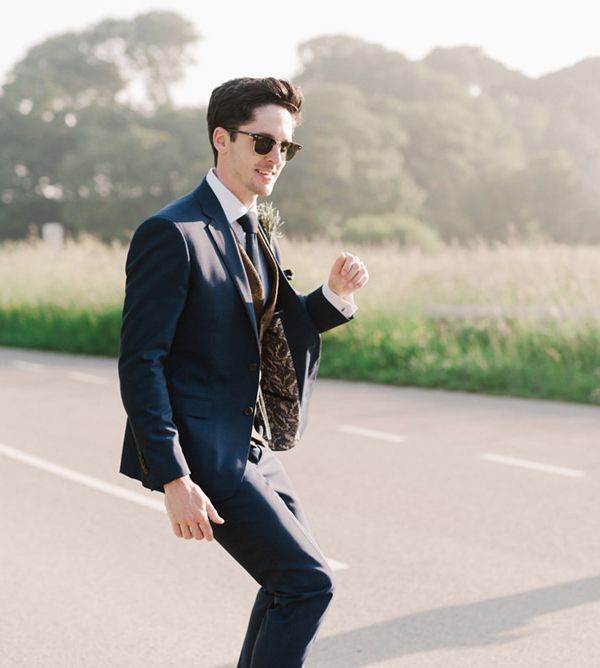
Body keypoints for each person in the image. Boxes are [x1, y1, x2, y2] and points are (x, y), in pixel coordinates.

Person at [118, 77, 368, 667]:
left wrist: (331, 297)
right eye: (263, 143)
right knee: (308, 584)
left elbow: (270, 334)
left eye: (287, 147)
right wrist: (174, 479)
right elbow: (141, 362)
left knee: (291, 582)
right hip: (205, 453)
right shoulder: (172, 233)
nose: (275, 158)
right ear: (221, 139)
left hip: (249, 442)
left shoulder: (254, 227)